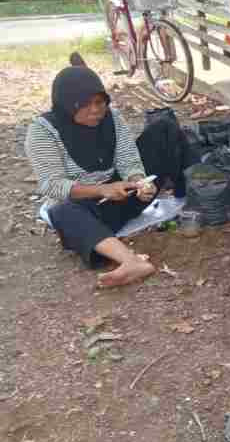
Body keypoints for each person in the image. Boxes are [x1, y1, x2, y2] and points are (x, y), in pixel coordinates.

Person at [25, 55, 159, 287]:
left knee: (163, 131)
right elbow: (53, 185)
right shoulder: (42, 132)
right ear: (67, 105)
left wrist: (139, 182)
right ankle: (130, 261)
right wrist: (102, 190)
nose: (96, 110)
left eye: (100, 102)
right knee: (61, 212)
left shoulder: (111, 117)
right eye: (85, 105)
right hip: (89, 207)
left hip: (122, 194)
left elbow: (127, 158)